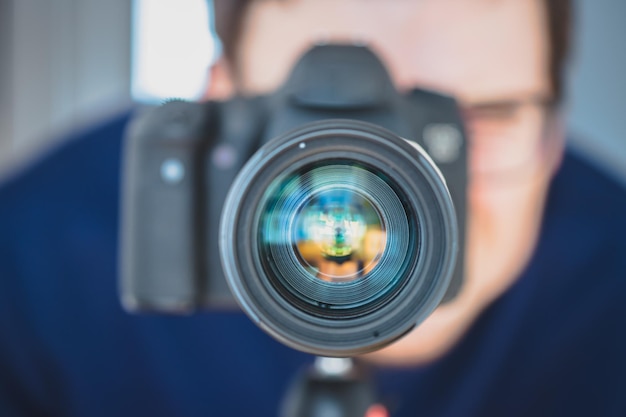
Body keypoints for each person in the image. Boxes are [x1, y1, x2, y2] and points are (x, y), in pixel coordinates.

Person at [1, 0, 625, 416]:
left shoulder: (613, 288)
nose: (392, 188)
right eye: (331, 124)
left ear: (553, 134)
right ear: (219, 105)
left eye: (474, 122)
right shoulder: (33, 264)